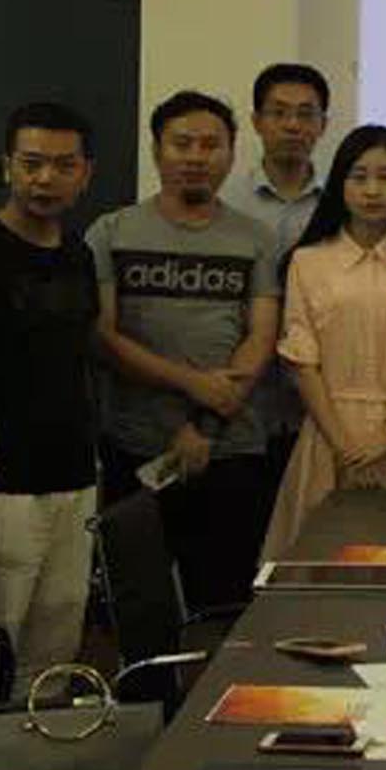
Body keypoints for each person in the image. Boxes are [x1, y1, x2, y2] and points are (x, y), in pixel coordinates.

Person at [87, 91, 279, 610]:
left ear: (232, 153)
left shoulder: (256, 238)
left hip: (230, 449)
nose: (196, 157)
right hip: (136, 447)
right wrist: (193, 383)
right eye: (182, 143)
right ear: (156, 151)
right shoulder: (111, 232)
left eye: (211, 145)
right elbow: (104, 337)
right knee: (138, 601)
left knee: (223, 602)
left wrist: (205, 423)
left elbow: (260, 338)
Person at [0, 103, 100, 700]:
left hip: (74, 476)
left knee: (58, 637)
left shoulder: (79, 253)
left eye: (63, 165)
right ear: (7, 166)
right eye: (32, 164)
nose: (45, 179)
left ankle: (40, 746)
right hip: (0, 484)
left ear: (85, 173)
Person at [261, 125, 386, 557]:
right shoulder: (307, 261)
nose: (372, 190)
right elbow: (302, 359)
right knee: (322, 564)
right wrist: (343, 444)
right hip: (329, 435)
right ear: (340, 184)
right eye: (359, 176)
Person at [222, 65, 331, 532]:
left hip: (316, 408)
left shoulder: (341, 205)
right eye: (279, 113)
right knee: (240, 538)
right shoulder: (225, 204)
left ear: (323, 124)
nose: (293, 126)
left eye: (306, 114)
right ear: (256, 121)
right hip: (240, 407)